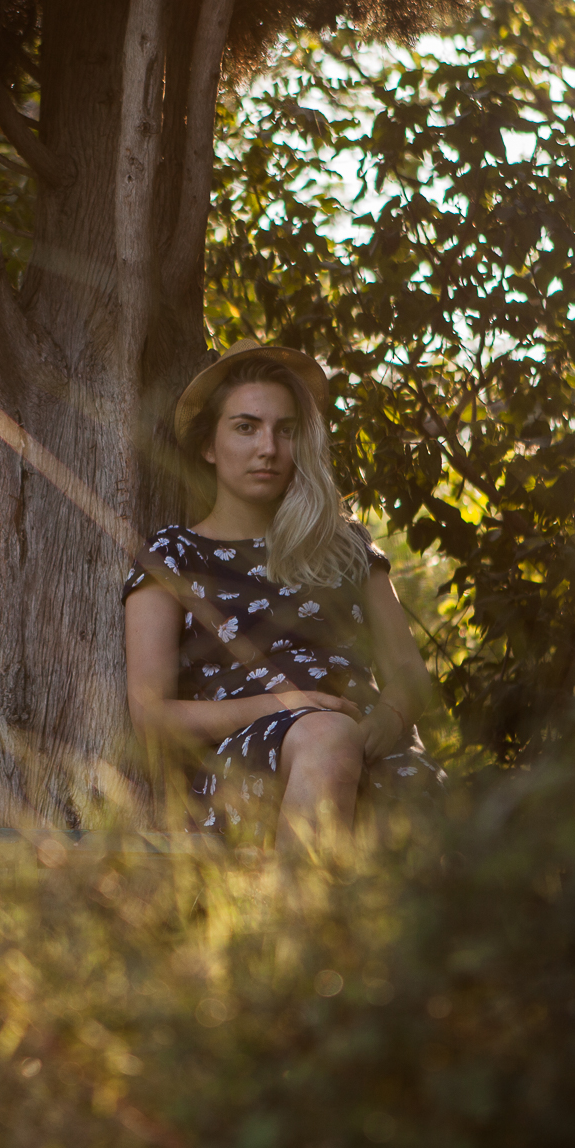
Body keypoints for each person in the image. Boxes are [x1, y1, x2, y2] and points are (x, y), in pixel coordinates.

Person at [123, 339, 440, 844]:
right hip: (247, 772)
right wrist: (284, 707)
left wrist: (380, 725)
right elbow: (151, 718)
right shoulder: (175, 554)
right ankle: (293, 900)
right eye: (246, 427)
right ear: (209, 446)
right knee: (327, 738)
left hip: (374, 752)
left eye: (285, 430)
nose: (268, 448)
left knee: (476, 815)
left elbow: (409, 673)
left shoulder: (346, 543)